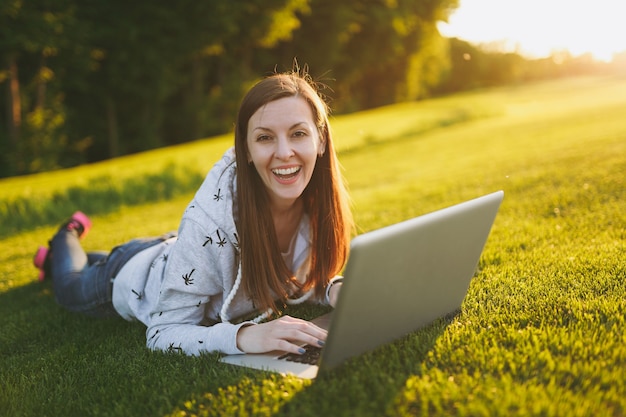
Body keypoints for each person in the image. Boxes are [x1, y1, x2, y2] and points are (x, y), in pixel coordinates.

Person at [33, 69, 353, 357]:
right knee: (70, 282)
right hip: (125, 278)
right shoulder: (208, 222)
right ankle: (66, 235)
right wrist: (243, 337)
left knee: (117, 257)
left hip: (171, 251)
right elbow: (162, 332)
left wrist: (331, 287)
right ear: (247, 150)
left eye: (298, 133)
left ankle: (98, 253)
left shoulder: (314, 200)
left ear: (320, 139)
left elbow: (292, 276)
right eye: (265, 137)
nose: (285, 152)